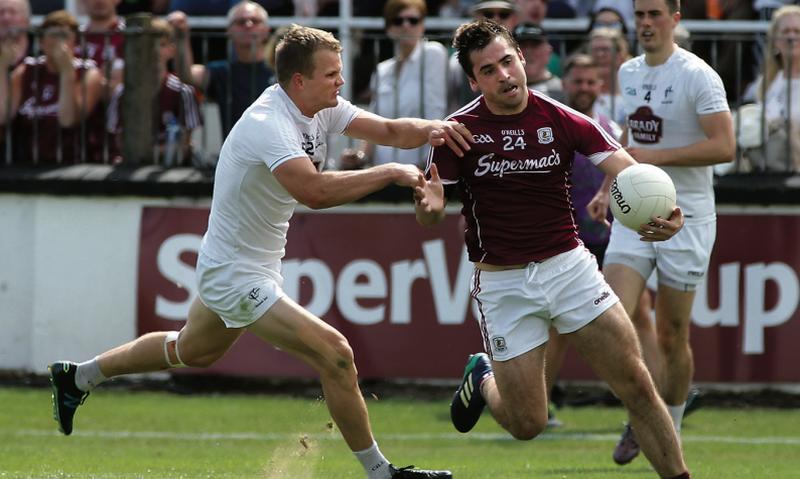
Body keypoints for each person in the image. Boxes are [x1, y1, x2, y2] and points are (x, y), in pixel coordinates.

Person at [48, 24, 470, 479]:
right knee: (337, 354)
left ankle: (78, 376)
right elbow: (314, 192)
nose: (341, 82)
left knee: (191, 350)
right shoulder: (268, 123)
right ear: (298, 81)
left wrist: (436, 130)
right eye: (332, 74)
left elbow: (389, 128)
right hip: (234, 273)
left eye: (340, 73)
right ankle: (382, 474)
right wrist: (389, 173)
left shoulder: (320, 106)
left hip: (246, 264)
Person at [414, 20, 692, 479]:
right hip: (503, 283)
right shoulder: (458, 132)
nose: (504, 75)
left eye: (507, 61)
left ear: (522, 59)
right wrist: (430, 205)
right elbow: (429, 211)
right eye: (488, 70)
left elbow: (629, 170)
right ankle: (483, 378)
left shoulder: (562, 118)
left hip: (569, 269)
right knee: (528, 424)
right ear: (473, 81)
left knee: (638, 384)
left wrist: (667, 210)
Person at [586, 0, 735, 466]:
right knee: (610, 314)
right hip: (634, 214)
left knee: (673, 335)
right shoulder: (629, 72)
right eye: (640, 15)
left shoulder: (698, 75)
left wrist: (655, 160)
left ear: (675, 18)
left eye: (655, 14)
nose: (646, 23)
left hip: (686, 217)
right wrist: (610, 185)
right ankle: (642, 410)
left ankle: (668, 423)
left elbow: (724, 145)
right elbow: (633, 138)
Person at [341, 0, 448, 169]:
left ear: (422, 25)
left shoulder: (433, 53)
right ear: (389, 28)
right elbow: (374, 120)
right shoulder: (382, 70)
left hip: (421, 166)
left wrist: (429, 163)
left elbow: (436, 112)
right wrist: (360, 157)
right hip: (383, 169)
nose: (406, 25)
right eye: (398, 21)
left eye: (413, 20)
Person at [0, 10, 104, 164]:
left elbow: (67, 120)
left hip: (74, 163)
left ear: (75, 43)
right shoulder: (26, 70)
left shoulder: (89, 73)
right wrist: (2, 68)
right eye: (52, 35)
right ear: (41, 42)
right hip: (28, 162)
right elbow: (3, 115)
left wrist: (67, 73)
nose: (57, 42)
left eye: (64, 36)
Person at [171, 1, 277, 137]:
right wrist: (181, 37)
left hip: (278, 154)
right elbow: (187, 75)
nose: (248, 25)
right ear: (229, 31)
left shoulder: (281, 69)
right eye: (240, 22)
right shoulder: (222, 72)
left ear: (267, 30)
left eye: (255, 21)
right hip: (237, 155)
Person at [106, 18, 201, 165]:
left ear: (172, 50)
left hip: (174, 172)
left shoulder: (183, 92)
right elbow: (120, 144)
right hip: (131, 170)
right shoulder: (122, 93)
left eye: (162, 44)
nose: (155, 50)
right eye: (149, 45)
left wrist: (147, 150)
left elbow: (183, 147)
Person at [747, 5, 800, 171]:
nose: (792, 37)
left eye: (797, 31)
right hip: (769, 174)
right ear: (775, 40)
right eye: (786, 32)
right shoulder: (763, 84)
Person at [587, 27, 630, 125]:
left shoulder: (632, 91)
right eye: (595, 50)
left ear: (620, 55)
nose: (600, 55)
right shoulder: (582, 93)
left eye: (605, 49)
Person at [513, 22, 564, 102]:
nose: (528, 51)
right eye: (521, 45)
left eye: (534, 45)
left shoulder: (564, 90)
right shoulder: (498, 89)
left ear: (549, 51)